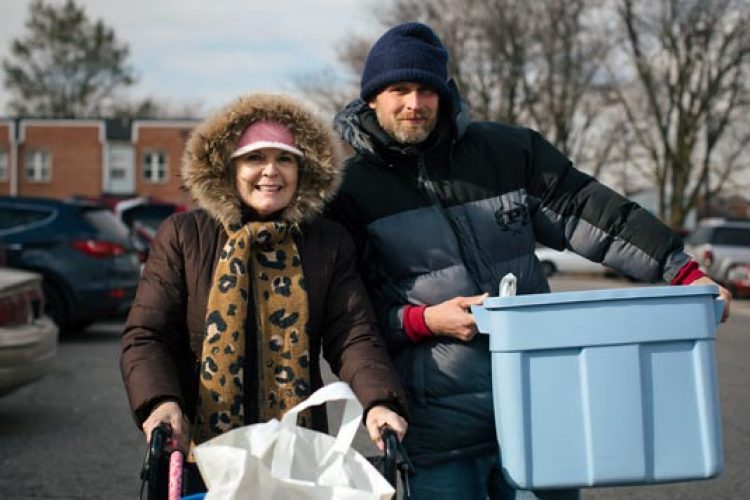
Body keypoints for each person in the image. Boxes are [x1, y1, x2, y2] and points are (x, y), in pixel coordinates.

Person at [325, 21, 733, 500]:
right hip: (438, 429)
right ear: (372, 97)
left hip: (543, 411)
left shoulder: (510, 152)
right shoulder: (348, 191)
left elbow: (593, 213)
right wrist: (424, 320)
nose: (414, 103)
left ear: (444, 93)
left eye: (426, 89)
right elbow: (351, 315)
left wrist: (682, 271)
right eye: (399, 89)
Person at [120, 93, 409, 494]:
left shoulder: (327, 242)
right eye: (255, 158)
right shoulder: (185, 236)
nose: (270, 172)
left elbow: (353, 333)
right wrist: (160, 403)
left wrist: (380, 402)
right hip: (202, 452)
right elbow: (147, 334)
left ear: (303, 170)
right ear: (230, 168)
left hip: (296, 450)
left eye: (285, 159)